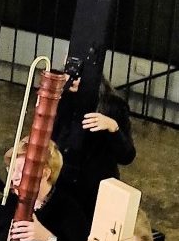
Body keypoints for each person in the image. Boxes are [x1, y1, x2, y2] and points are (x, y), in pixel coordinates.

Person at [54, 76, 135, 206]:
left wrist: (113, 127)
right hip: (61, 184)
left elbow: (127, 156)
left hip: (93, 189)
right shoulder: (61, 99)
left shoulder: (113, 106)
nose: (68, 77)